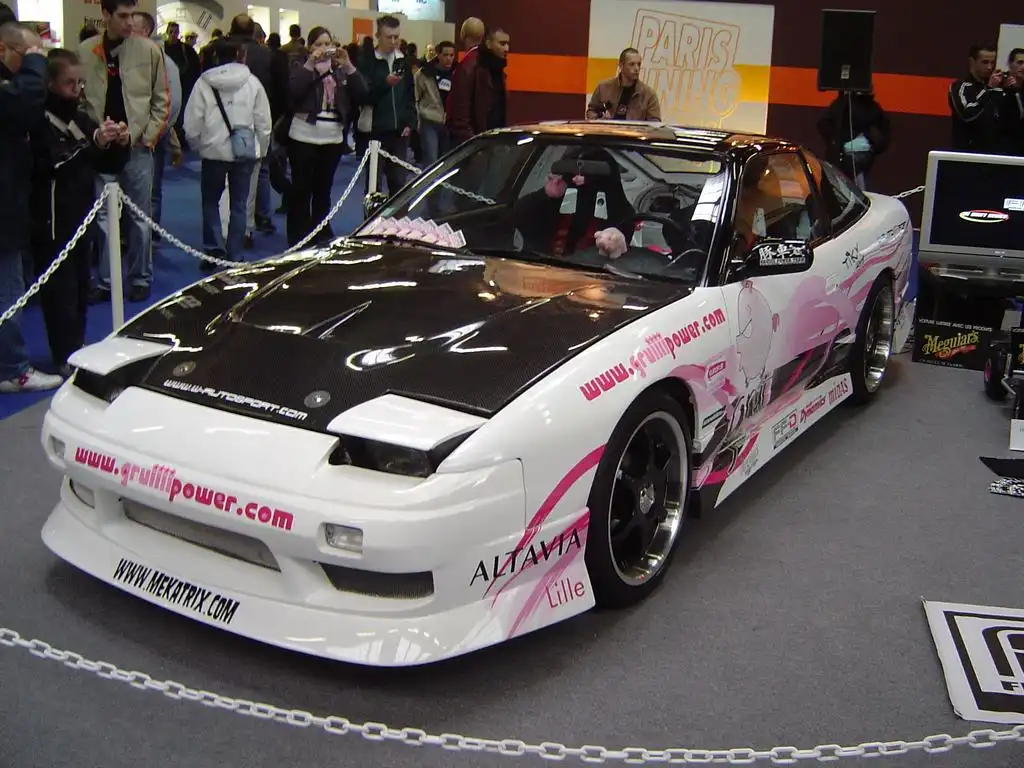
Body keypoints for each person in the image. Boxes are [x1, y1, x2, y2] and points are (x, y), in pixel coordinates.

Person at [30, 49, 129, 377]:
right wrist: (95, 143)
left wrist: (117, 142)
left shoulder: (80, 118)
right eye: (69, 83)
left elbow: (105, 163)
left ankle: (76, 344)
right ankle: (63, 353)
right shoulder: (38, 120)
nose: (76, 90)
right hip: (51, 219)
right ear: (50, 84)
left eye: (80, 83)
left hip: (81, 214)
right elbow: (57, 162)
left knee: (81, 285)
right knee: (60, 291)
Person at [79, 0, 170, 305]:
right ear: (105, 15)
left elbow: (161, 100)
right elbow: (80, 103)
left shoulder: (150, 51)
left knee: (140, 218)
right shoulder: (86, 52)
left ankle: (140, 277)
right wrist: (96, 134)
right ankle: (107, 281)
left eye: (133, 15)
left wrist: (145, 137)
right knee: (103, 220)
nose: (130, 22)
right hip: (101, 148)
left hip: (137, 149)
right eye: (122, 16)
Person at [0, 21, 64, 393]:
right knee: (8, 289)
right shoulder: (13, 93)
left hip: (13, 199)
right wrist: (37, 63)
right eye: (26, 56)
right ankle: (12, 368)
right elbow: (22, 106)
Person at [183, 37, 271, 267]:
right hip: (245, 151)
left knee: (210, 201)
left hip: (213, 151)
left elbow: (192, 122)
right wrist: (261, 148)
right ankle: (235, 252)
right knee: (239, 204)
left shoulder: (204, 82)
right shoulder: (253, 83)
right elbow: (264, 121)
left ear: (214, 56)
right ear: (241, 55)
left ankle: (214, 250)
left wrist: (197, 145)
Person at [285, 26, 366, 246]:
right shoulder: (301, 66)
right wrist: (310, 64)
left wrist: (348, 66)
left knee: (323, 190)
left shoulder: (339, 70)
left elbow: (362, 93)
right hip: (303, 136)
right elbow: (293, 91)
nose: (323, 49)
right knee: (301, 190)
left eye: (327, 44)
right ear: (310, 47)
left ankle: (321, 230)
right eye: (318, 44)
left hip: (332, 138)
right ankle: (298, 235)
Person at [132, 11, 183, 234]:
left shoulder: (164, 62)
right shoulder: (127, 57)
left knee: (151, 188)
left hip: (151, 138)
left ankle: (150, 234)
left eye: (132, 25)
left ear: (145, 31)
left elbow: (172, 103)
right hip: (128, 136)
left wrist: (152, 133)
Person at [949, 41, 1016, 153]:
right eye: (985, 62)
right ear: (972, 62)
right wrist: (989, 89)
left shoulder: (998, 88)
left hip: (996, 154)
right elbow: (968, 115)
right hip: (968, 153)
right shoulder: (961, 87)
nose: (990, 67)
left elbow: (1012, 121)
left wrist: (1012, 92)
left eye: (992, 62)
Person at [447, 24, 509, 145]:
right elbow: (461, 115)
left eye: (507, 44)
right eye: (502, 44)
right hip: (476, 143)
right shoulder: (470, 67)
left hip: (492, 140)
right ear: (488, 44)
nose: (506, 48)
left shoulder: (496, 69)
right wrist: (473, 144)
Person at [817, 90, 890, 189]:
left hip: (851, 152)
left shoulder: (844, 104)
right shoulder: (844, 104)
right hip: (851, 151)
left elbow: (824, 124)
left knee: (848, 184)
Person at [586, 47, 660, 121]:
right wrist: (600, 120)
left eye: (639, 64)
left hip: (634, 129)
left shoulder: (649, 94)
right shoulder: (603, 88)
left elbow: (655, 123)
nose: (637, 68)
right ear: (621, 65)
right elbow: (591, 111)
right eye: (632, 64)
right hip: (608, 128)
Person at [415, 39, 455, 165]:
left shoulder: (458, 73)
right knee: (431, 159)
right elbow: (416, 97)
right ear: (438, 55)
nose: (449, 59)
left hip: (449, 122)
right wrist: (417, 120)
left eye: (451, 55)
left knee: (447, 160)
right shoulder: (424, 73)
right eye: (445, 55)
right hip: (429, 120)